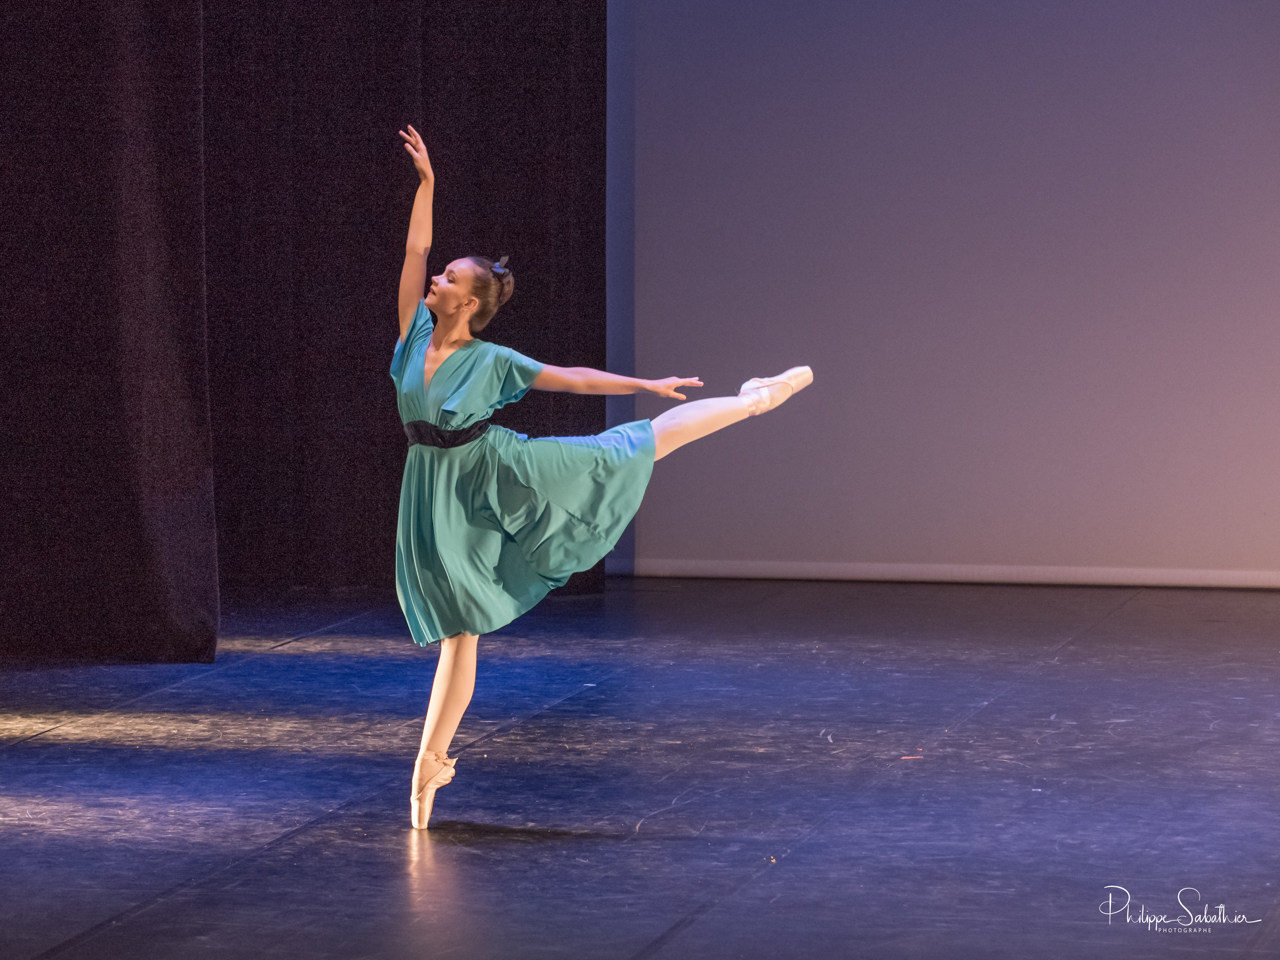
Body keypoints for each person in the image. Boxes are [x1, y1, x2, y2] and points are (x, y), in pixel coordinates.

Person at [394, 125, 813, 828]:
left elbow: (575, 378)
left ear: (467, 304)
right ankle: (431, 767)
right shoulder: (411, 335)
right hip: (434, 491)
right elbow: (414, 251)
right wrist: (428, 184)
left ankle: (751, 399)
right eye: (442, 275)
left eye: (449, 279)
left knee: (630, 447)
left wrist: (644, 383)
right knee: (459, 632)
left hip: (495, 471)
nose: (436, 279)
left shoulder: (494, 359)